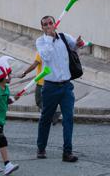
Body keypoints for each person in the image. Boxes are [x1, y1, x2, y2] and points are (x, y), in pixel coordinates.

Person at [35, 16, 84, 162]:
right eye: (45, 24)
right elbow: (47, 56)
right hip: (50, 86)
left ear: (55, 24)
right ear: (42, 28)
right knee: (46, 118)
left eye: (51, 23)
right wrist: (50, 38)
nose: (49, 26)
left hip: (66, 86)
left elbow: (73, 47)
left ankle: (67, 152)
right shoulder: (41, 41)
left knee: (68, 119)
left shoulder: (63, 37)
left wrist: (78, 43)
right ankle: (41, 147)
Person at [20, 53, 61, 125]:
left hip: (41, 82)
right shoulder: (53, 52)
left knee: (39, 101)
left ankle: (53, 113)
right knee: (46, 102)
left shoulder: (41, 52)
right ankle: (51, 116)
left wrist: (25, 72)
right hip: (51, 81)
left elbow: (34, 65)